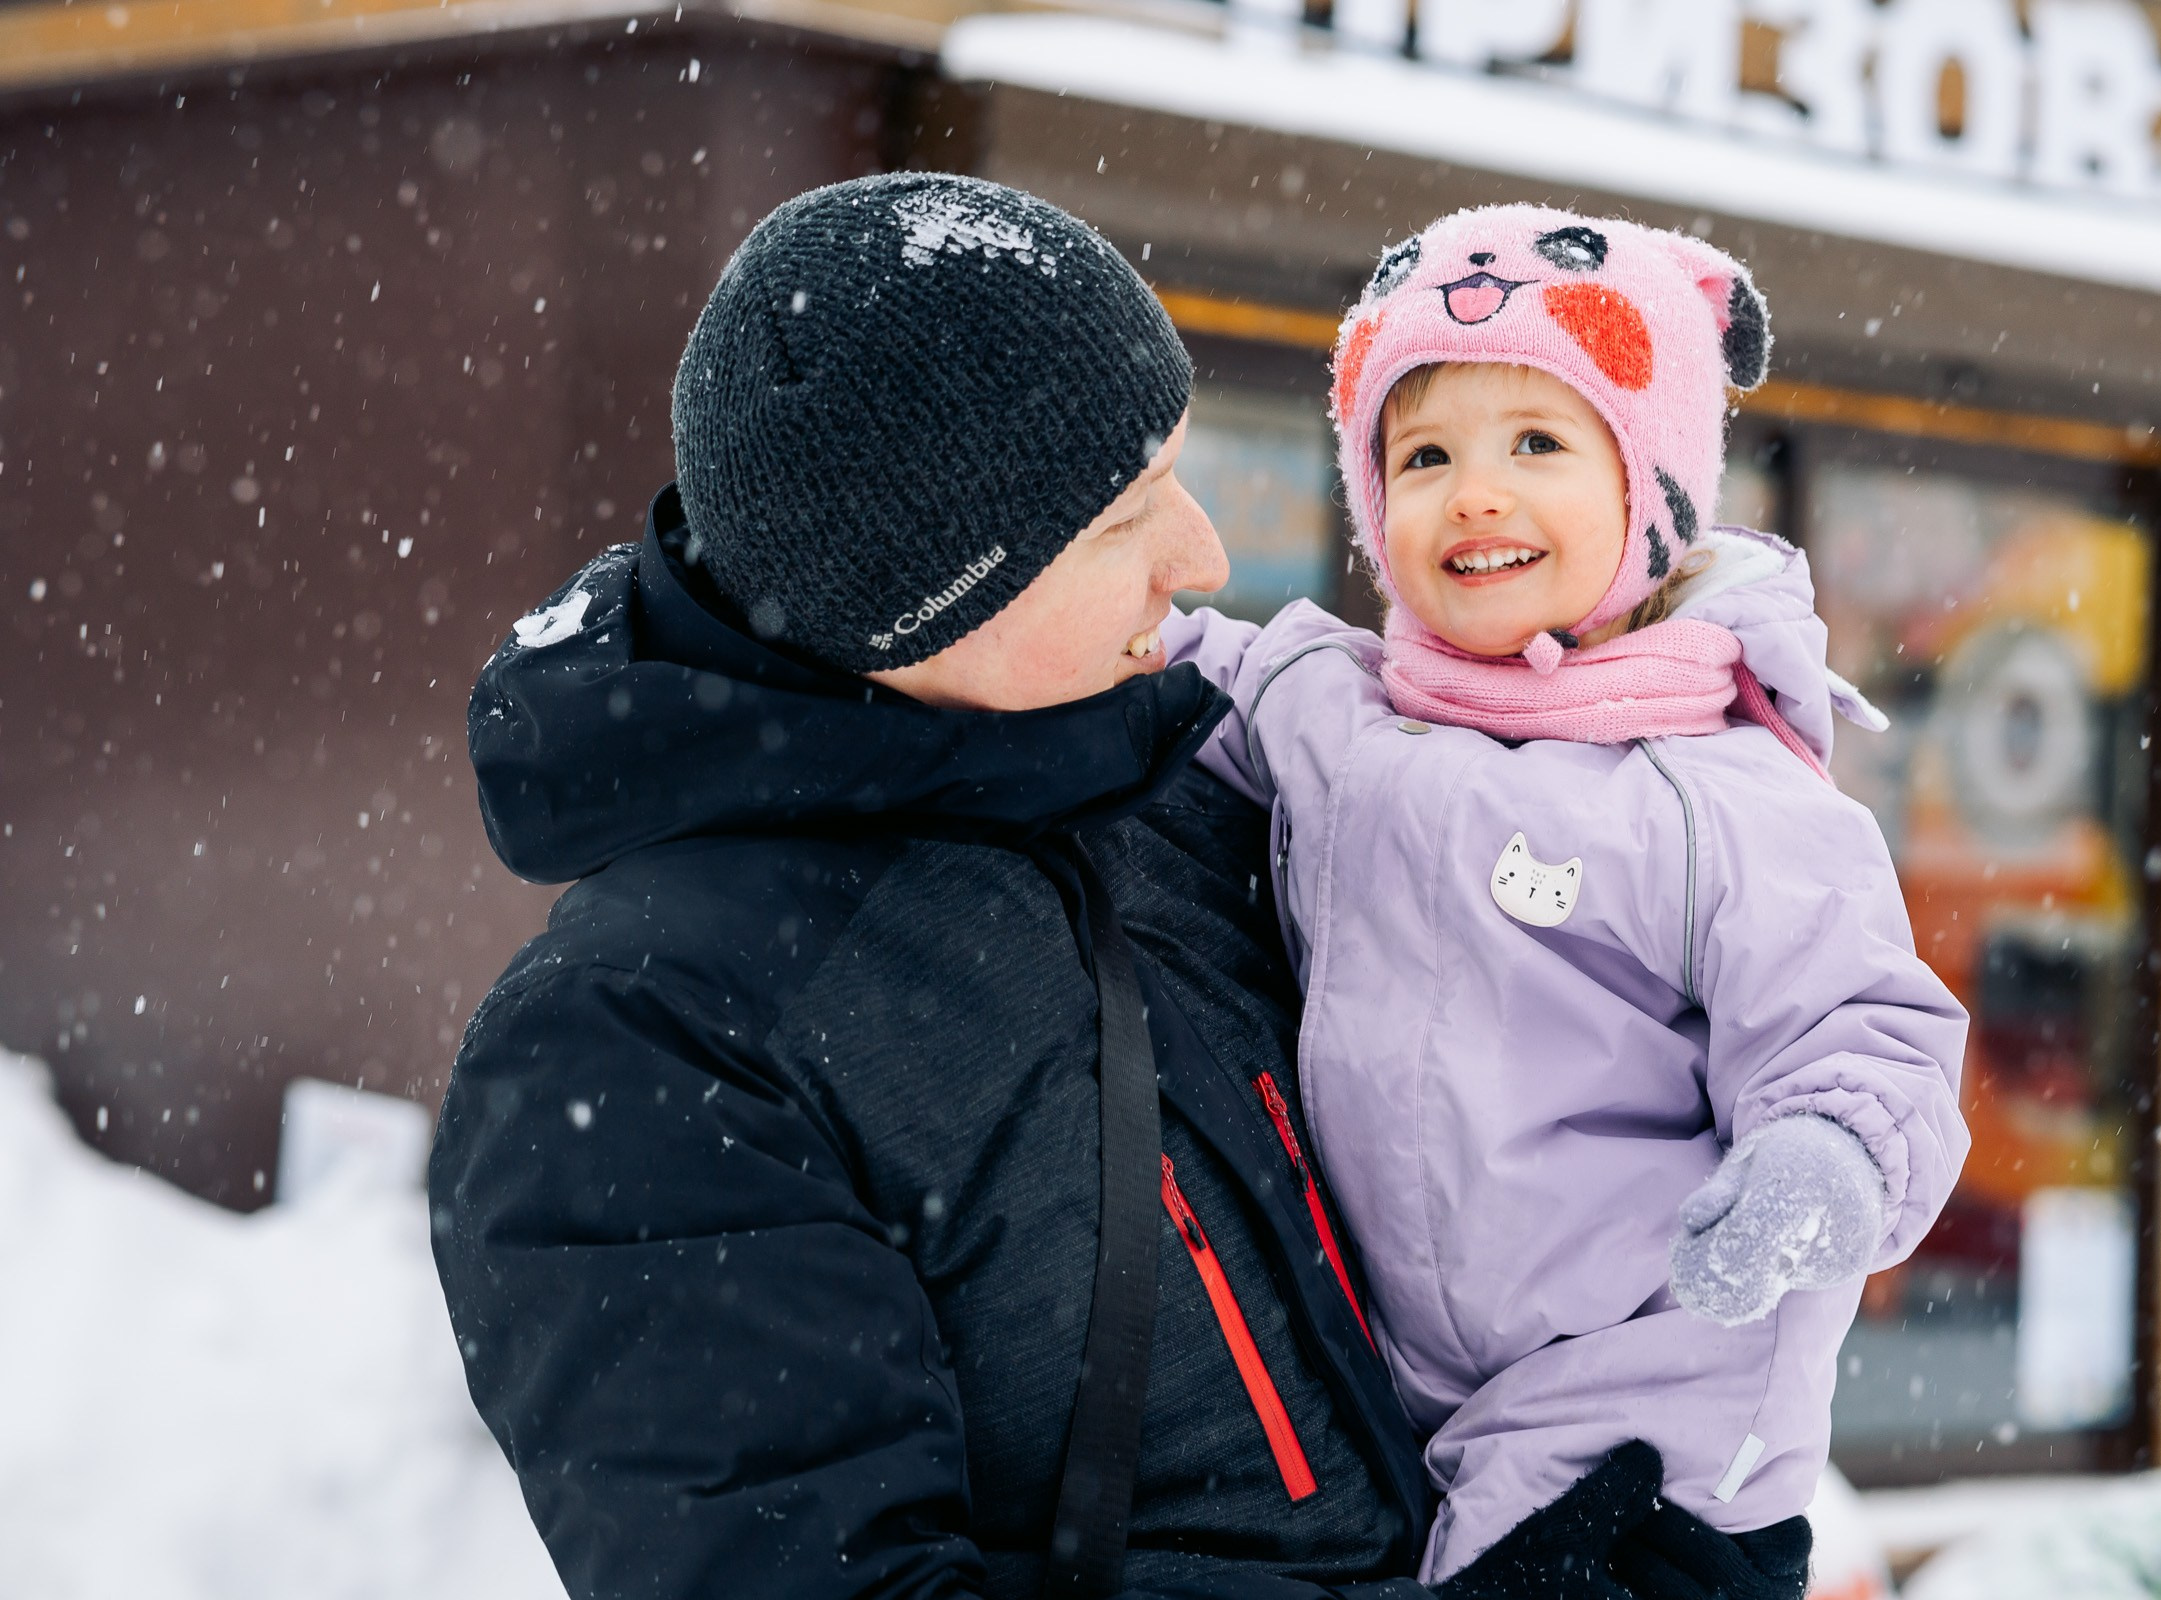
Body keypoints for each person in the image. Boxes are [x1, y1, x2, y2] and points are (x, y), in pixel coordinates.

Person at [430, 174, 1705, 1600]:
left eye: (1181, 469)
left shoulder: (1185, 799)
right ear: (927, 598)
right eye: (1125, 519)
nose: (1203, 556)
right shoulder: (642, 1041)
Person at [1161, 205, 1973, 1598]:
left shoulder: (1721, 789)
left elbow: (1860, 1026)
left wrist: (1826, 1158)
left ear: (1649, 490)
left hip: (1651, 1392)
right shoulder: (1339, 718)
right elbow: (1156, 666)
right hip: (1398, 1369)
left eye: (1537, 443)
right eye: (1423, 457)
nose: (1475, 493)